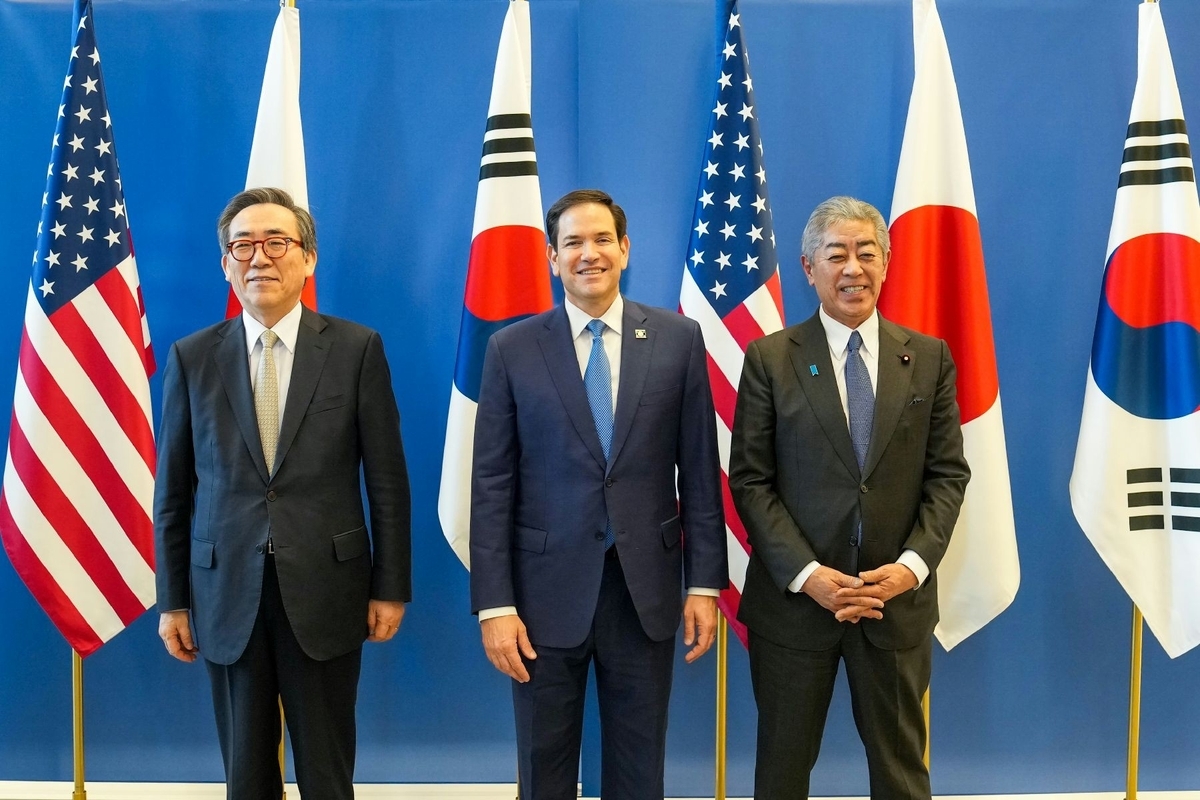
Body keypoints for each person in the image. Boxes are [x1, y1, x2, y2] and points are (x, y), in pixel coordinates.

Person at [154, 187, 411, 800]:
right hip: (224, 593)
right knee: (245, 776)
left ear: (308, 258)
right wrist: (172, 600)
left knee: (327, 772)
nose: (258, 258)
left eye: (276, 242)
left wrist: (391, 586)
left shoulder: (355, 349)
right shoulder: (193, 358)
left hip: (329, 589)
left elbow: (388, 482)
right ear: (225, 264)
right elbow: (173, 494)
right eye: (242, 246)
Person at [470, 189, 727, 800]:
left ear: (625, 249)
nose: (590, 254)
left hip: (645, 592)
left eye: (602, 240)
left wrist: (704, 584)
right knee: (545, 771)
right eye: (574, 243)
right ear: (552, 259)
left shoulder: (678, 339)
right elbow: (491, 484)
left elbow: (698, 469)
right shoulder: (512, 348)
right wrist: (495, 604)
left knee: (639, 775)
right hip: (539, 599)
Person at [728, 196, 970, 800]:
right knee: (781, 776)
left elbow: (948, 476)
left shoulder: (930, 358)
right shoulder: (769, 359)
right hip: (795, 610)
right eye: (836, 254)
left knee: (901, 776)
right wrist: (809, 575)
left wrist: (908, 571)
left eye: (867, 253)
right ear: (809, 268)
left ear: (887, 264)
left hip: (894, 606)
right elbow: (750, 481)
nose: (853, 268)